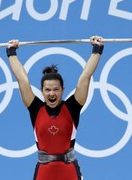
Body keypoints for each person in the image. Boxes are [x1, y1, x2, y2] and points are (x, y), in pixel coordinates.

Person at [6, 36, 104, 180]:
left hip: (69, 170)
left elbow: (85, 77)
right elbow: (22, 79)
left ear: (62, 90)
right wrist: (11, 53)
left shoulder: (72, 107)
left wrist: (97, 49)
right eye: (48, 90)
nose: (52, 93)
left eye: (56, 90)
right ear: (42, 91)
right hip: (44, 172)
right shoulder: (35, 108)